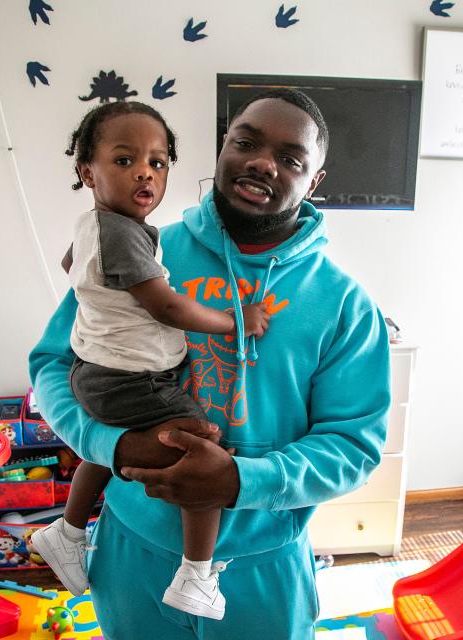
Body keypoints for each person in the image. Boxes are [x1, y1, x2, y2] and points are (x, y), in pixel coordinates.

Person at [29, 89, 392, 639]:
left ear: (315, 180)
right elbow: (56, 365)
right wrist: (115, 446)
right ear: (223, 148)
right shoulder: (141, 252)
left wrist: (240, 480)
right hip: (133, 555)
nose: (262, 162)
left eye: (291, 158)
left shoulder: (344, 304)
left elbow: (353, 446)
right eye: (246, 142)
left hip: (263, 570)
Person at [29, 101, 270, 621]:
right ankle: (197, 574)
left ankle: (67, 532)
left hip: (96, 374)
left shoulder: (94, 226)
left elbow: (72, 264)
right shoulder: (120, 232)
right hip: (134, 377)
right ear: (86, 171)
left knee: (107, 443)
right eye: (124, 160)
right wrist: (237, 320)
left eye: (158, 163)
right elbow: (165, 305)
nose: (145, 171)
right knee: (202, 454)